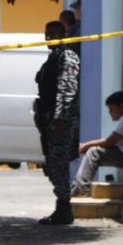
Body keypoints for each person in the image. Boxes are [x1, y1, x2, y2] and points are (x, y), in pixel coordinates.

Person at [34, 21, 81, 226]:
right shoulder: (53, 57)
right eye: (47, 35)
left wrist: (60, 118)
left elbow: (67, 89)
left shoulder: (67, 56)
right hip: (49, 119)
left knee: (58, 164)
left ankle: (64, 209)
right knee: (53, 164)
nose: (49, 39)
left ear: (64, 35)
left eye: (54, 34)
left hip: (59, 120)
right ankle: (62, 207)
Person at [71, 92, 123, 197]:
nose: (110, 112)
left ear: (122, 106)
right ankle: (77, 188)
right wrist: (86, 146)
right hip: (122, 154)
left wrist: (86, 145)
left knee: (94, 152)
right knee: (92, 152)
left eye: (111, 109)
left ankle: (82, 190)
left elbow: (109, 141)